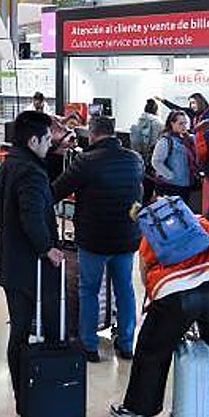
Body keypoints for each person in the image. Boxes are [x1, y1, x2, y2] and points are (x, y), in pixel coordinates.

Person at [110, 212, 209, 417]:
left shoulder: (151, 233)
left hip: (176, 294)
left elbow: (145, 274)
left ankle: (138, 410)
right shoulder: (202, 223)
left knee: (152, 350)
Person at [0, 111, 65, 408]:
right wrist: (47, 248)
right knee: (50, 327)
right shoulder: (31, 172)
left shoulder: (7, 166)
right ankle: (46, 395)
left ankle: (23, 399)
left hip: (11, 262)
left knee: (19, 329)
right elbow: (31, 215)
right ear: (33, 141)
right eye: (46, 139)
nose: (49, 144)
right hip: (33, 266)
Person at [52, 116, 143, 362]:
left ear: (92, 134)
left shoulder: (85, 161)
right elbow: (139, 195)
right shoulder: (135, 159)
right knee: (125, 289)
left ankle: (89, 346)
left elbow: (56, 191)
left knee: (89, 290)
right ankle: (126, 344)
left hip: (94, 240)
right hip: (126, 238)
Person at [150, 110, 196, 200]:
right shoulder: (166, 140)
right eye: (181, 123)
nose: (184, 126)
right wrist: (170, 175)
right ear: (172, 124)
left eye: (185, 123)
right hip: (170, 186)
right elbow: (156, 161)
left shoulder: (187, 139)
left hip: (185, 185)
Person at [128, 99, 163, 166]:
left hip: (138, 155)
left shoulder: (139, 120)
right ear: (156, 110)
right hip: (151, 156)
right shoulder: (159, 122)